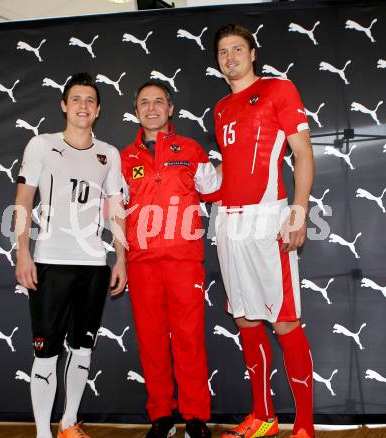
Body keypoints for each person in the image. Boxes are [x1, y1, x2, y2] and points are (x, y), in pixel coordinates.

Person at [213, 24, 315, 438]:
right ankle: (264, 417)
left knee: (285, 321)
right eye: (223, 52)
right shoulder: (220, 107)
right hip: (229, 221)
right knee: (245, 320)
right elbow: (230, 168)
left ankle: (305, 425)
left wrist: (299, 210)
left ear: (253, 53)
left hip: (266, 218)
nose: (230, 57)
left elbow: (303, 154)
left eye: (238, 49)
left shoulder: (279, 90)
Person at [14, 72, 126, 438]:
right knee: (46, 352)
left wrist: (120, 258)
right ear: (64, 105)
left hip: (93, 265)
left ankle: (67, 424)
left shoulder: (109, 154)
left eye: (90, 101)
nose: (83, 106)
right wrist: (22, 253)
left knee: (82, 348)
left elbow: (116, 210)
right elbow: (23, 201)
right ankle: (43, 432)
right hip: (49, 263)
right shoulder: (41, 145)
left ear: (98, 110)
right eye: (76, 99)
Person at [120, 80, 221, 438]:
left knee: (189, 338)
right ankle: (161, 415)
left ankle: (195, 415)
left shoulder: (191, 149)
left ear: (171, 108)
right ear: (136, 110)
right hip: (141, 262)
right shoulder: (124, 158)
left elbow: (215, 189)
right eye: (144, 102)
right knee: (151, 340)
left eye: (158, 101)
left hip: (184, 260)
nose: (151, 108)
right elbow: (114, 210)